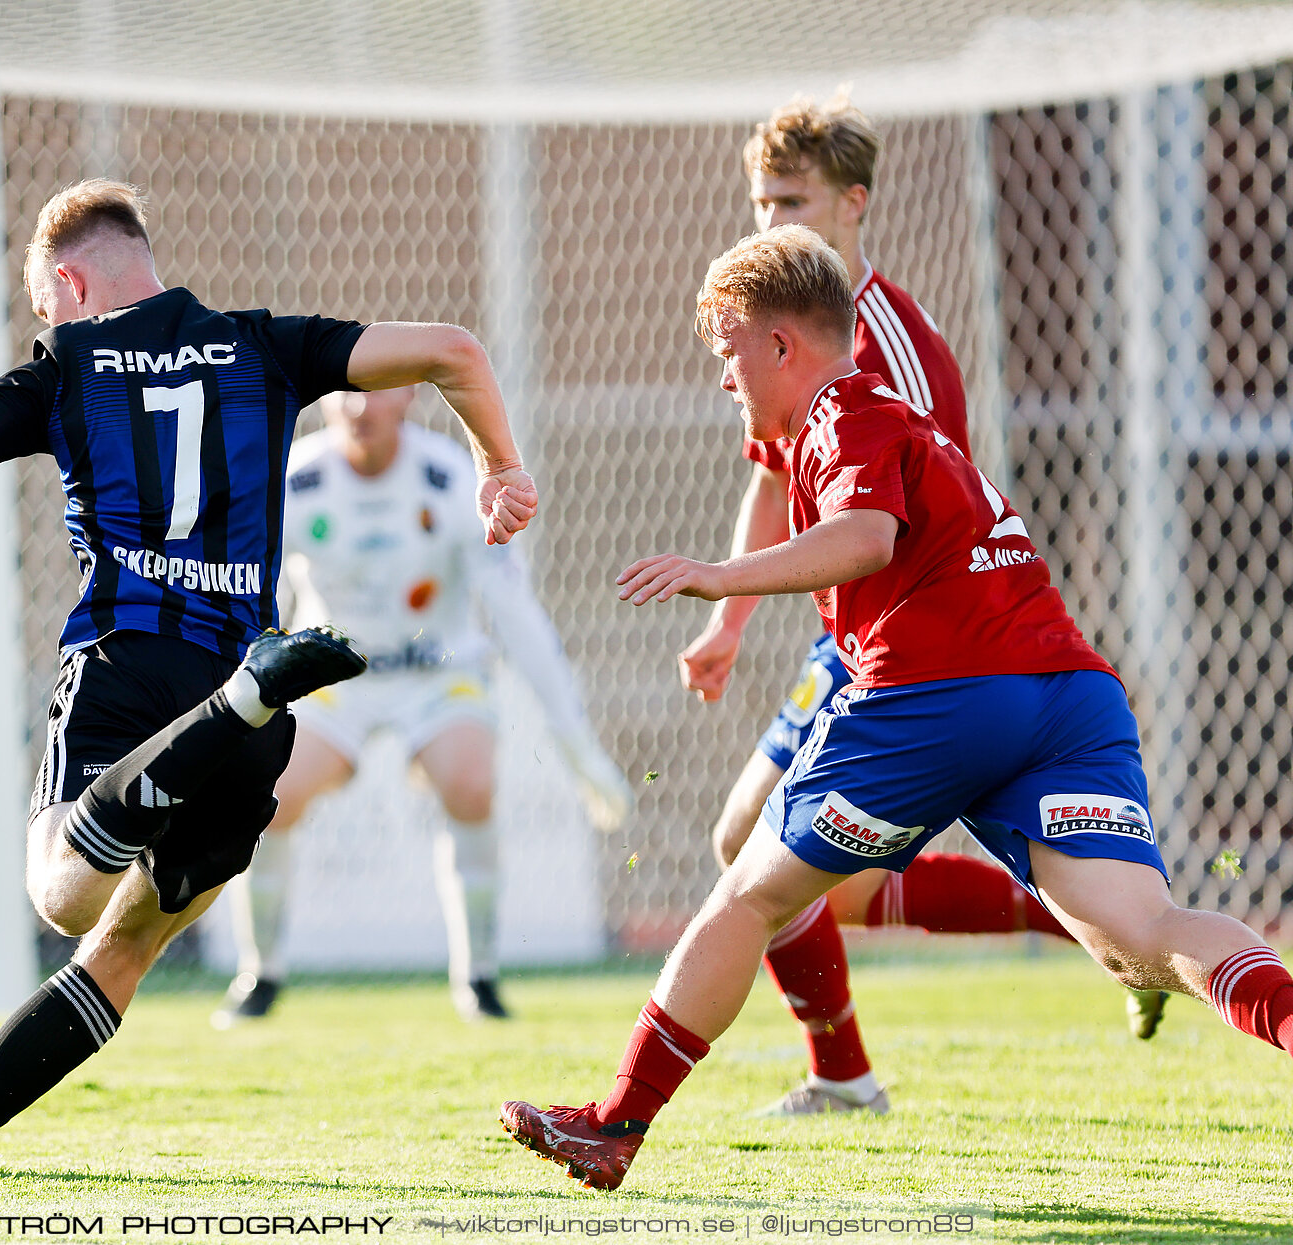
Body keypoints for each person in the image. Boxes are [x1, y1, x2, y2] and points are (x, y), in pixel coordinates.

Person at [0, 178, 538, 1174]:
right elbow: (454, 350)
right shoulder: (265, 344)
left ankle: (242, 699)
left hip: (127, 669)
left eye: (45, 307)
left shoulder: (66, 365)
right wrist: (501, 465)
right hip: (242, 689)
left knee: (64, 898)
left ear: (67, 281)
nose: (46, 322)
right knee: (127, 946)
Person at [500, 225, 1293, 1191]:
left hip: (935, 694)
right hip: (1066, 695)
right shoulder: (881, 419)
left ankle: (616, 1122)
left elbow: (867, 536)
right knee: (1140, 938)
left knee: (748, 891)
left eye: (728, 351)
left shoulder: (846, 412)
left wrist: (719, 580)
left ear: (782, 343)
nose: (724, 379)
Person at [675, 94, 1163, 1117]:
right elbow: (772, 475)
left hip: (913, 647)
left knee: (753, 858)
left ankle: (855, 1063)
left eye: (794, 201)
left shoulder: (882, 346)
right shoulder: (785, 329)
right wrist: (728, 625)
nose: (772, 223)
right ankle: (1057, 929)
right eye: (762, 202)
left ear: (854, 204)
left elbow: (899, 524)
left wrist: (738, 597)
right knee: (770, 864)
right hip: (851, 639)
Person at [213, 385, 633, 1026]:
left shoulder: (449, 478)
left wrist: (579, 747)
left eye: (375, 398)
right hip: (333, 677)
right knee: (271, 797)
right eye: (343, 399)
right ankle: (259, 973)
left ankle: (480, 978)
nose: (358, 412)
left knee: (469, 783)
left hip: (439, 674)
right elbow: (248, 599)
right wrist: (229, 707)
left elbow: (513, 609)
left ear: (408, 397)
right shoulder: (299, 479)